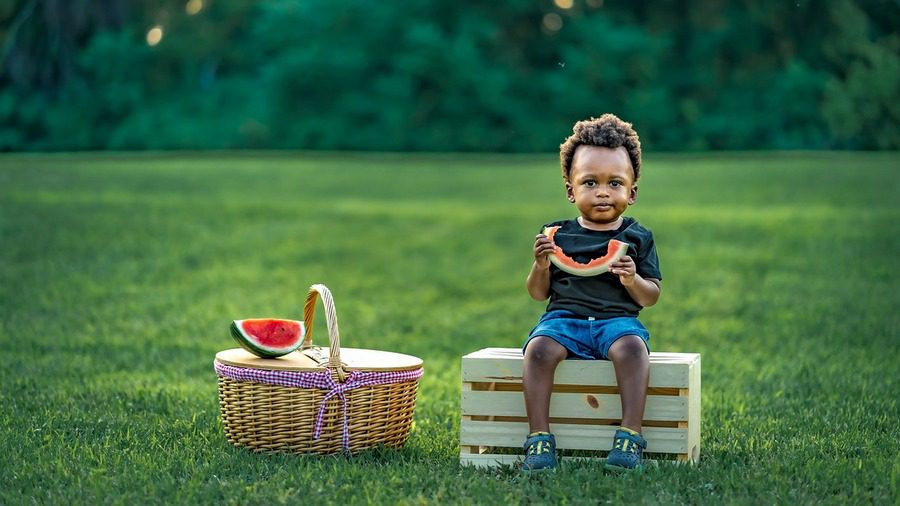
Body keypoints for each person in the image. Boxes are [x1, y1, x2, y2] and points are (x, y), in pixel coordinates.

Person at [522, 113, 662, 472]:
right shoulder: (555, 235)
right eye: (590, 182)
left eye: (614, 183)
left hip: (616, 322)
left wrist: (632, 280)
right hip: (563, 320)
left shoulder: (637, 238)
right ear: (571, 190)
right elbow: (538, 294)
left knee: (633, 349)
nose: (603, 192)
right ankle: (539, 439)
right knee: (537, 350)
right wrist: (540, 265)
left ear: (632, 192)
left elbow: (651, 296)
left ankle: (629, 435)